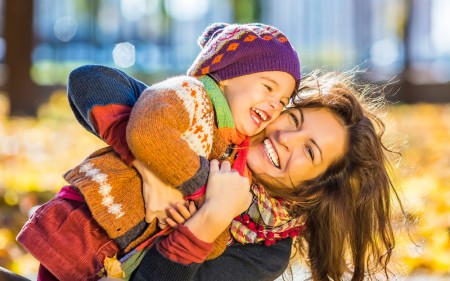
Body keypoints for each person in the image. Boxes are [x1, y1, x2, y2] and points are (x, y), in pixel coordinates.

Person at [17, 22, 301, 280]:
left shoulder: (235, 155)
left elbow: (215, 243)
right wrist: (200, 191)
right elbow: (148, 131)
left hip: (120, 257)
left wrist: (197, 217)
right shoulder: (190, 96)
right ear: (228, 75)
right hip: (86, 226)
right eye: (267, 88)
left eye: (282, 101)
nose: (274, 103)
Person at [71, 67, 402, 281]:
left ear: (315, 189)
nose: (285, 140)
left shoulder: (265, 250)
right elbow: (88, 82)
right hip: (63, 249)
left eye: (309, 151)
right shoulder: (208, 132)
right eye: (295, 121)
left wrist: (208, 221)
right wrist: (153, 164)